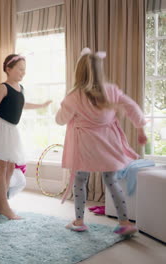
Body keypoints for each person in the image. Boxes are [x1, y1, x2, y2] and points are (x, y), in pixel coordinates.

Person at [56, 48, 147, 235]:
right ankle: (125, 222)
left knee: (80, 180)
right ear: (100, 71)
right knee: (111, 180)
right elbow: (132, 107)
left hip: (85, 146)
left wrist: (63, 108)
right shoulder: (111, 91)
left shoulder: (74, 96)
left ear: (78, 72)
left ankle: (79, 221)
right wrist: (140, 129)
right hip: (109, 144)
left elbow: (60, 120)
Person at [0, 54, 51, 220]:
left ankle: (0, 202)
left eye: (24, 70)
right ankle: (4, 206)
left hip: (11, 130)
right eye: (20, 69)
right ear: (8, 69)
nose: (23, 73)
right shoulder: (3, 87)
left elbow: (22, 104)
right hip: (0, 129)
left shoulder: (20, 88)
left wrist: (40, 105)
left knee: (11, 167)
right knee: (2, 168)